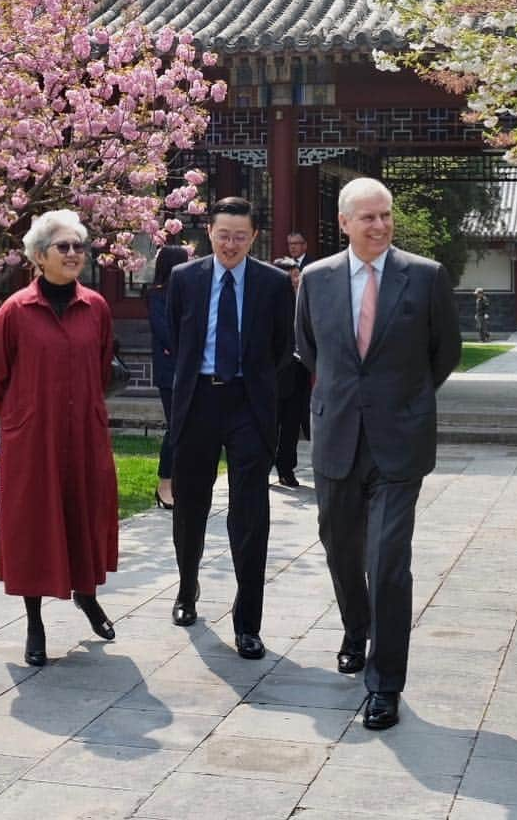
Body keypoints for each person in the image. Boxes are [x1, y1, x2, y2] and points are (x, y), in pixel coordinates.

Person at [295, 177, 461, 731]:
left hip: (399, 441)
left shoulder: (426, 276)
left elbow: (446, 352)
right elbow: (309, 348)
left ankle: (385, 683)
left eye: (385, 215)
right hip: (337, 436)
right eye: (367, 217)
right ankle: (354, 628)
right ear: (343, 223)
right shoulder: (315, 280)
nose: (379, 226)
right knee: (341, 548)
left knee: (388, 563)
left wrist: (404, 399)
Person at [0, 209, 118, 667]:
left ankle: (87, 594)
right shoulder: (15, 310)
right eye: (64, 247)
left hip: (84, 435)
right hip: (33, 438)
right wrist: (22, 418)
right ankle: (35, 622)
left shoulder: (95, 306)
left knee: (84, 514)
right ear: (39, 256)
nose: (74, 254)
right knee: (34, 527)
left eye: (79, 246)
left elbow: (101, 366)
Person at [167, 197, 293, 659]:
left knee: (250, 511)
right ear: (210, 233)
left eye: (241, 236)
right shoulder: (185, 278)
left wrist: (255, 384)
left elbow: (282, 347)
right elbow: (177, 341)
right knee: (190, 505)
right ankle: (186, 589)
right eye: (223, 235)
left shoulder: (275, 283)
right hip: (198, 399)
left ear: (254, 237)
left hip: (248, 403)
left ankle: (248, 622)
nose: (231, 244)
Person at [147, 245, 189, 508]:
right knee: (176, 427)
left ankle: (182, 483)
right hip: (170, 371)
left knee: (189, 430)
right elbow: (166, 333)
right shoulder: (156, 295)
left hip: (192, 369)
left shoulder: (191, 292)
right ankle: (165, 483)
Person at [272, 256, 310, 488]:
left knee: (292, 423)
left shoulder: (305, 299)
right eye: (292, 275)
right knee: (270, 423)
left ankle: (287, 468)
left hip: (300, 370)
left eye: (298, 275)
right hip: (276, 373)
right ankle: (265, 466)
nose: (296, 280)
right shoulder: (268, 301)